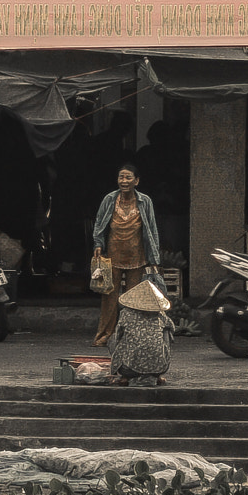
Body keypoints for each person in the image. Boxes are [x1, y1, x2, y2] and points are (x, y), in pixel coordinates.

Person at [92, 162, 162, 347]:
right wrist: (98, 243)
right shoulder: (109, 199)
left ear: (136, 181)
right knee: (109, 297)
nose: (124, 181)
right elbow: (99, 223)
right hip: (113, 256)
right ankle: (105, 334)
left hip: (137, 257)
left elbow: (152, 229)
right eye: (121, 177)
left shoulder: (145, 201)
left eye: (128, 177)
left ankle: (130, 335)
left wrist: (154, 258)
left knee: (133, 298)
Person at [108, 277, 174, 387]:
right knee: (166, 331)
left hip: (129, 369)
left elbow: (118, 334)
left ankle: (125, 377)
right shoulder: (160, 315)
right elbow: (172, 327)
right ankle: (157, 375)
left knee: (112, 339)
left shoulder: (125, 313)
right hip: (158, 368)